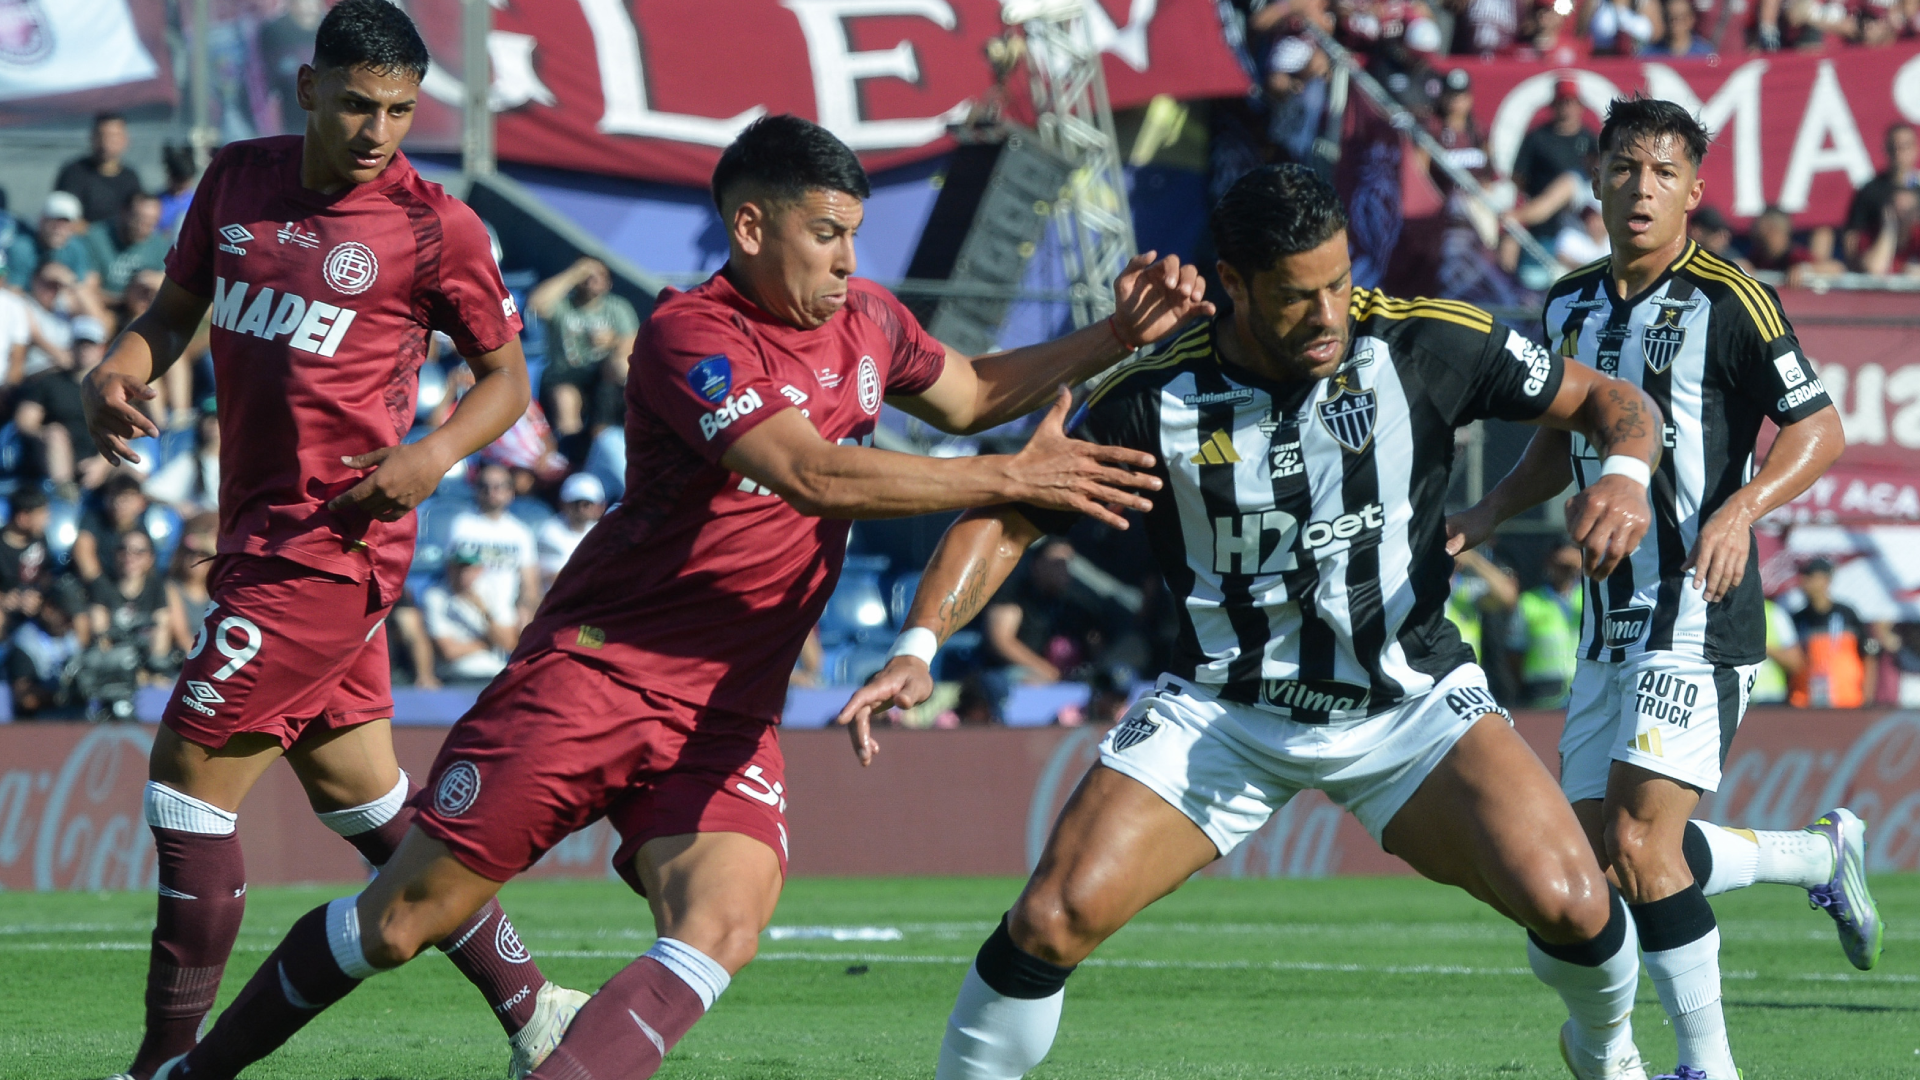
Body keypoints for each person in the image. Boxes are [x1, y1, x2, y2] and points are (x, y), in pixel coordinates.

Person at [154, 111, 1211, 1080]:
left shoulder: (872, 324)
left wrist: (1109, 340)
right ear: (750, 226)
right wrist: (1007, 478)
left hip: (727, 711)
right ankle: (190, 1073)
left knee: (723, 922)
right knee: (396, 925)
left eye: (853, 235)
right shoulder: (689, 338)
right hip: (595, 677)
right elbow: (812, 473)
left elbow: (973, 394)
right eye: (827, 234)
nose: (849, 261)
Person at [839, 162, 1663, 1080]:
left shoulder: (1424, 343)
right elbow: (1009, 517)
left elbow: (1611, 402)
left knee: (1576, 906)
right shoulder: (1154, 395)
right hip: (1221, 714)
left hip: (1411, 706)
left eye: (1341, 285)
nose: (1328, 316)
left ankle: (1607, 1051)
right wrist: (918, 646)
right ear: (1232, 283)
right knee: (1048, 921)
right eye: (1297, 296)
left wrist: (1625, 475)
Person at [77, 4, 578, 1077]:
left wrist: (432, 456)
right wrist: (122, 367)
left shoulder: (437, 226)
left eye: (399, 109)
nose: (377, 129)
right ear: (308, 90)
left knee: (184, 781)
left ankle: (164, 1066)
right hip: (262, 538)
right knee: (371, 804)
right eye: (357, 103)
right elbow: (176, 310)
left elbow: (506, 381)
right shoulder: (236, 180)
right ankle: (535, 1008)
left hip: (331, 547)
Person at [1449, 96, 1876, 1080]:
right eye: (1626, 168)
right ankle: (1816, 858)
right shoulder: (1566, 306)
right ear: (1596, 177)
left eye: (1664, 173)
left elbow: (1820, 431)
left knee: (1644, 847)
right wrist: (1486, 516)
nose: (1642, 188)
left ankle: (1706, 1067)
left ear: (1694, 191)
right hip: (1610, 621)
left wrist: (1740, 511)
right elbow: (1557, 454)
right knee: (1601, 872)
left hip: (1699, 604)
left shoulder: (1731, 300)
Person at [527, 257, 640, 439]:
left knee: (622, 368)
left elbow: (632, 347)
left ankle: (633, 431)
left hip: (605, 377)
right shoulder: (564, 306)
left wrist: (612, 341)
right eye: (587, 275)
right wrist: (574, 273)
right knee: (565, 397)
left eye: (600, 275)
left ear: (609, 282)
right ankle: (571, 446)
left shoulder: (618, 308)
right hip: (566, 376)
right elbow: (536, 304)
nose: (592, 279)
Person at [983, 539, 1124, 684]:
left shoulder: (1077, 603)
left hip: (1068, 674)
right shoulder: (1013, 593)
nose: (1064, 567)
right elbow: (1002, 641)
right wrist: (1047, 670)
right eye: (1057, 563)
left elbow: (1094, 641)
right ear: (1037, 564)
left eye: (1068, 562)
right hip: (1017, 671)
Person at [15, 313, 109, 491]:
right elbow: (25, 420)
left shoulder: (109, 388)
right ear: (71, 346)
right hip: (54, 458)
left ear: (101, 349)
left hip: (97, 461)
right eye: (80, 343)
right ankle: (63, 490)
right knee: (55, 433)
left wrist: (101, 464)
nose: (84, 349)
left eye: (91, 344)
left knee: (132, 474)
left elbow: (123, 433)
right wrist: (47, 435)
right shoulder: (49, 382)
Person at [446, 462, 540, 634]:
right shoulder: (462, 525)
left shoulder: (521, 533)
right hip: (465, 613)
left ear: (510, 492)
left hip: (507, 617)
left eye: (498, 486)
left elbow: (530, 583)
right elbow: (456, 578)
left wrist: (525, 612)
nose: (491, 492)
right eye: (485, 486)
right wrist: (490, 621)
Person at [1787, 558, 1895, 708]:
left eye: (1811, 576)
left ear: (1826, 580)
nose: (1804, 581)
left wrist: (1867, 699)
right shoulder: (1797, 619)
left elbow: (1869, 654)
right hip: (1805, 702)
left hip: (1848, 702)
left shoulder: (1846, 614)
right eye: (1803, 576)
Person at [1508, 541, 1583, 707]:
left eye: (1570, 566)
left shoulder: (1589, 597)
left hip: (1584, 683)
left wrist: (1583, 568)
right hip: (1543, 688)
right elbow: (1514, 651)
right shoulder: (1529, 601)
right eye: (1560, 565)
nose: (1565, 570)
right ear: (1549, 564)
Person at [424, 548, 514, 683]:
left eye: (469, 569)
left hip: (495, 673)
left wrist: (484, 611)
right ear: (450, 569)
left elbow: (509, 644)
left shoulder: (493, 593)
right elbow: (449, 652)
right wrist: (489, 642)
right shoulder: (436, 597)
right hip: (457, 676)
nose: (463, 574)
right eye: (459, 568)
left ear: (480, 570)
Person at [1842, 123, 1918, 270]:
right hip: (1880, 262)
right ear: (1886, 149)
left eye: (1905, 146)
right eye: (1894, 147)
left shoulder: (1917, 187)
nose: (1899, 152)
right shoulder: (1871, 190)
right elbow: (1852, 238)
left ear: (1915, 148)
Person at [6, 586, 84, 718]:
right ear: (49, 610)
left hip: (80, 716)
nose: (71, 623)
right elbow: (24, 698)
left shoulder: (75, 636)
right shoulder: (26, 641)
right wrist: (60, 697)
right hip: (41, 723)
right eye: (66, 617)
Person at [55, 113, 146, 227]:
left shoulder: (131, 177)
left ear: (125, 140)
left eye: (113, 136)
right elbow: (62, 218)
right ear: (92, 137)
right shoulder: (73, 173)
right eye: (101, 136)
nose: (106, 143)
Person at [86, 192, 172, 306]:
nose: (146, 229)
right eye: (140, 220)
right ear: (124, 212)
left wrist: (153, 281)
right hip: (101, 307)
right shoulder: (97, 238)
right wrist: (127, 298)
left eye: (152, 223)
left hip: (140, 310)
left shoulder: (159, 245)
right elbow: (87, 290)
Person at [6, 192, 99, 292]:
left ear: (73, 227)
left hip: (64, 299)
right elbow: (13, 291)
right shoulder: (22, 248)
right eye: (54, 222)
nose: (58, 229)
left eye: (65, 224)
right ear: (42, 221)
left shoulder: (76, 248)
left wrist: (68, 280)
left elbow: (87, 287)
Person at [1444, 546, 1517, 665]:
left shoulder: (1467, 588)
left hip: (1465, 672)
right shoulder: (1419, 588)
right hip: (1429, 670)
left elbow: (1507, 596)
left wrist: (1472, 559)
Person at [535, 471, 605, 590]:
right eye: (576, 503)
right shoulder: (550, 532)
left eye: (587, 504)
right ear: (563, 504)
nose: (581, 509)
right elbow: (556, 579)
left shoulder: (602, 532)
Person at [1749, 595, 1803, 705]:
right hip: (1735, 699)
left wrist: (1763, 648)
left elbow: (1796, 663)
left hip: (1771, 699)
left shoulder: (1774, 613)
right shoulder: (1721, 611)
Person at [1640, 0, 1716, 55]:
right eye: (1671, 18)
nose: (1675, 23)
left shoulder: (1704, 53)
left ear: (1691, 20)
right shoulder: (1649, 54)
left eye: (1681, 18)